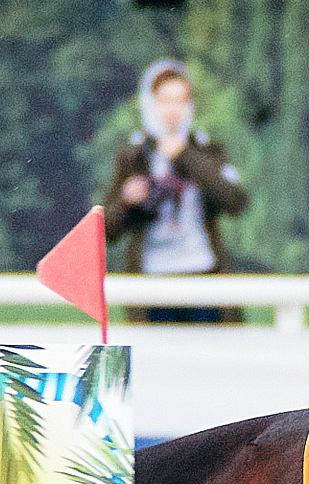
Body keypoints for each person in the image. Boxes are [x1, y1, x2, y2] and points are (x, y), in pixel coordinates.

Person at [101, 60, 249, 324]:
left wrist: (185, 155)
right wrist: (127, 200)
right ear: (149, 103)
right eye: (164, 101)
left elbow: (235, 202)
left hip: (202, 275)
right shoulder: (133, 156)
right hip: (153, 281)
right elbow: (107, 230)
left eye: (181, 101)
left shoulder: (206, 149)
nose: (173, 110)